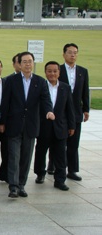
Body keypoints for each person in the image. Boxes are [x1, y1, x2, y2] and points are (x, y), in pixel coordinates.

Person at [0, 51, 55, 198]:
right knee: (14, 157)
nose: (27, 64)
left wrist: (49, 111)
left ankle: (21, 185)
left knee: (26, 157)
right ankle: (13, 186)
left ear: (33, 63)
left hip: (31, 125)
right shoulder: (12, 81)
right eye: (24, 61)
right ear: (19, 64)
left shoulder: (40, 81)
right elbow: (5, 103)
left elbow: (46, 100)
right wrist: (2, 122)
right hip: (14, 124)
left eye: (30, 61)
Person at [34, 61, 75, 191]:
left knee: (60, 155)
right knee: (40, 152)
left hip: (60, 127)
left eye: (55, 71)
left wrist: (71, 126)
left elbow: (70, 108)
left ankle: (60, 180)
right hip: (43, 127)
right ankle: (40, 174)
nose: (52, 74)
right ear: (45, 72)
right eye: (49, 71)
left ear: (59, 72)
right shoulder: (40, 86)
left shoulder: (65, 87)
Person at [57, 43, 89, 181]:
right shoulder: (58, 70)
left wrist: (86, 109)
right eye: (70, 52)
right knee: (58, 142)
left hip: (75, 112)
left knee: (73, 143)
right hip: (61, 112)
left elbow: (85, 91)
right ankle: (56, 167)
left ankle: (72, 170)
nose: (73, 55)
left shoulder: (83, 71)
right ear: (64, 54)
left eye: (75, 52)